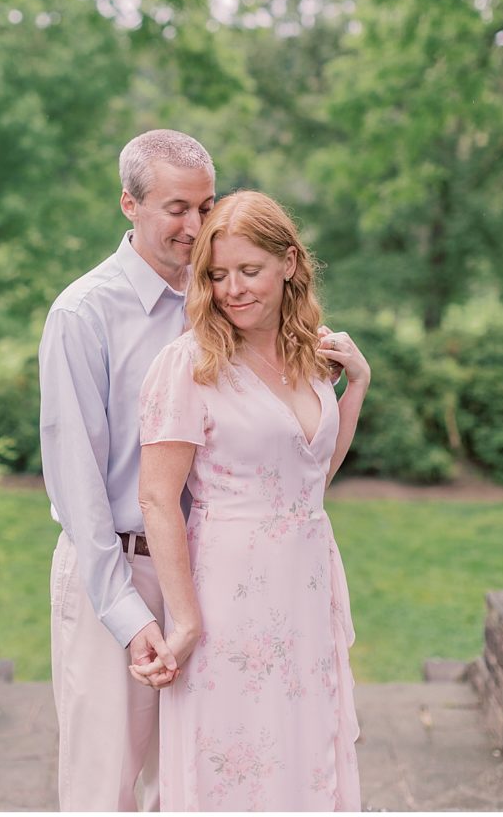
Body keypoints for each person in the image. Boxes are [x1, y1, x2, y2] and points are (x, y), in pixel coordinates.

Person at [132, 190, 370, 812]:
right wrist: (184, 622)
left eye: (249, 270)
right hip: (229, 589)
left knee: (303, 749)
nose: (232, 289)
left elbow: (311, 475)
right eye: (217, 274)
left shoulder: (308, 353)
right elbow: (158, 499)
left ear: (289, 263)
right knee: (236, 755)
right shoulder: (188, 364)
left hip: (306, 582)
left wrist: (357, 386)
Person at [39, 129, 216, 811]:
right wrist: (126, 613)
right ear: (129, 204)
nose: (195, 226)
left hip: (205, 574)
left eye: (205, 207)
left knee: (192, 786)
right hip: (112, 568)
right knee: (102, 787)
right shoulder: (84, 313)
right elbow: (78, 484)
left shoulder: (220, 304)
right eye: (176, 208)